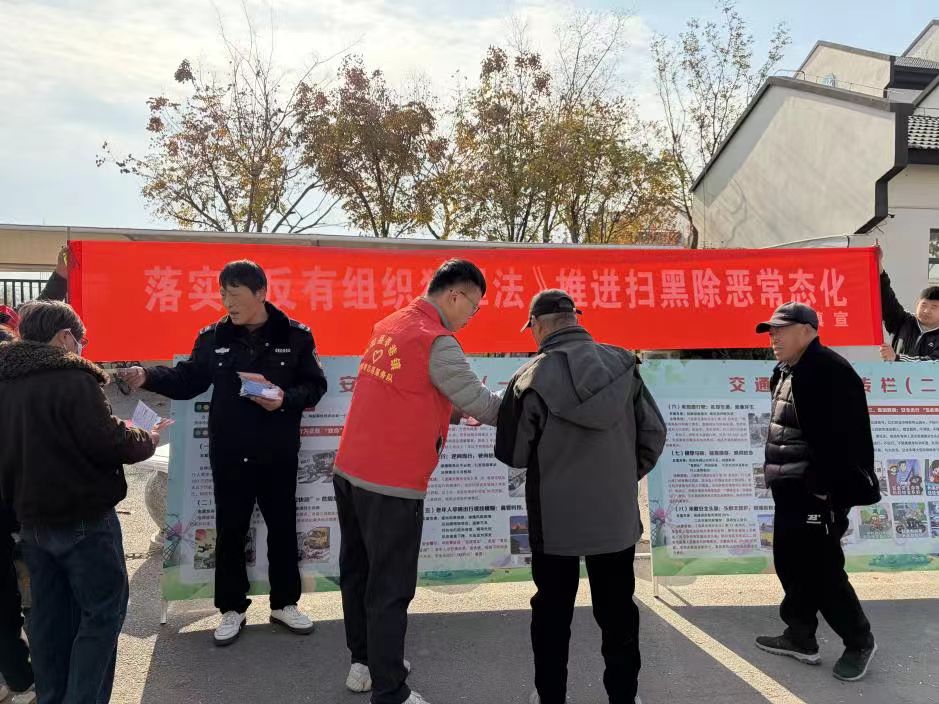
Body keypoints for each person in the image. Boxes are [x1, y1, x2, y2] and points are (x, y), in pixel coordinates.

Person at [119, 260, 327, 645]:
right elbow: (188, 380)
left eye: (234, 294)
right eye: (222, 294)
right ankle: (232, 608)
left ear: (260, 293)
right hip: (230, 452)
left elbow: (315, 386)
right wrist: (148, 375)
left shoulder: (296, 335)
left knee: (283, 528)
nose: (227, 302)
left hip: (278, 452)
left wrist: (284, 399)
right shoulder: (214, 337)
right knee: (231, 531)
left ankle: (285, 603)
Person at [333, 259, 503, 704]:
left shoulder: (391, 324)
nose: (472, 317)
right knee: (390, 587)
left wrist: (451, 411)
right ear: (455, 295)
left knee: (358, 574)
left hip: (350, 471)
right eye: (474, 307)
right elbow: (484, 404)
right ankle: (390, 691)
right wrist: (527, 405)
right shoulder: (437, 340)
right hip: (391, 483)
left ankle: (365, 663)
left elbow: (407, 390)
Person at [494, 289, 666, 704]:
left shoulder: (529, 377)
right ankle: (624, 696)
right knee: (618, 611)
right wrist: (621, 477)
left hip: (555, 523)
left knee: (552, 616)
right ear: (575, 318)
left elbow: (513, 453)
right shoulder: (624, 364)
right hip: (615, 519)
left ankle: (551, 695)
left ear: (538, 325)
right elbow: (653, 434)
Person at [0, 300, 165, 703]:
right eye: (81, 340)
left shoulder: (6, 379)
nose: (82, 347)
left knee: (49, 621)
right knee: (102, 614)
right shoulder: (72, 378)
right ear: (64, 337)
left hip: (31, 521)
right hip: (84, 520)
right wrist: (147, 437)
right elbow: (108, 441)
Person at [755, 302, 877, 681]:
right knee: (790, 561)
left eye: (781, 330)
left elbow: (844, 441)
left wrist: (826, 492)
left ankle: (859, 640)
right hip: (790, 488)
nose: (773, 337)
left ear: (808, 330)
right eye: (771, 331)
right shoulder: (786, 370)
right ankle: (800, 635)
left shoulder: (830, 371)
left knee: (822, 570)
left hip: (819, 492)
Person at [878, 249, 939, 361]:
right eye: (923, 305)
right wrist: (878, 266)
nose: (926, 310)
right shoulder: (903, 321)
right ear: (917, 305)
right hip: (892, 373)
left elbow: (932, 364)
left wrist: (897, 358)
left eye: (934, 307)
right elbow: (886, 299)